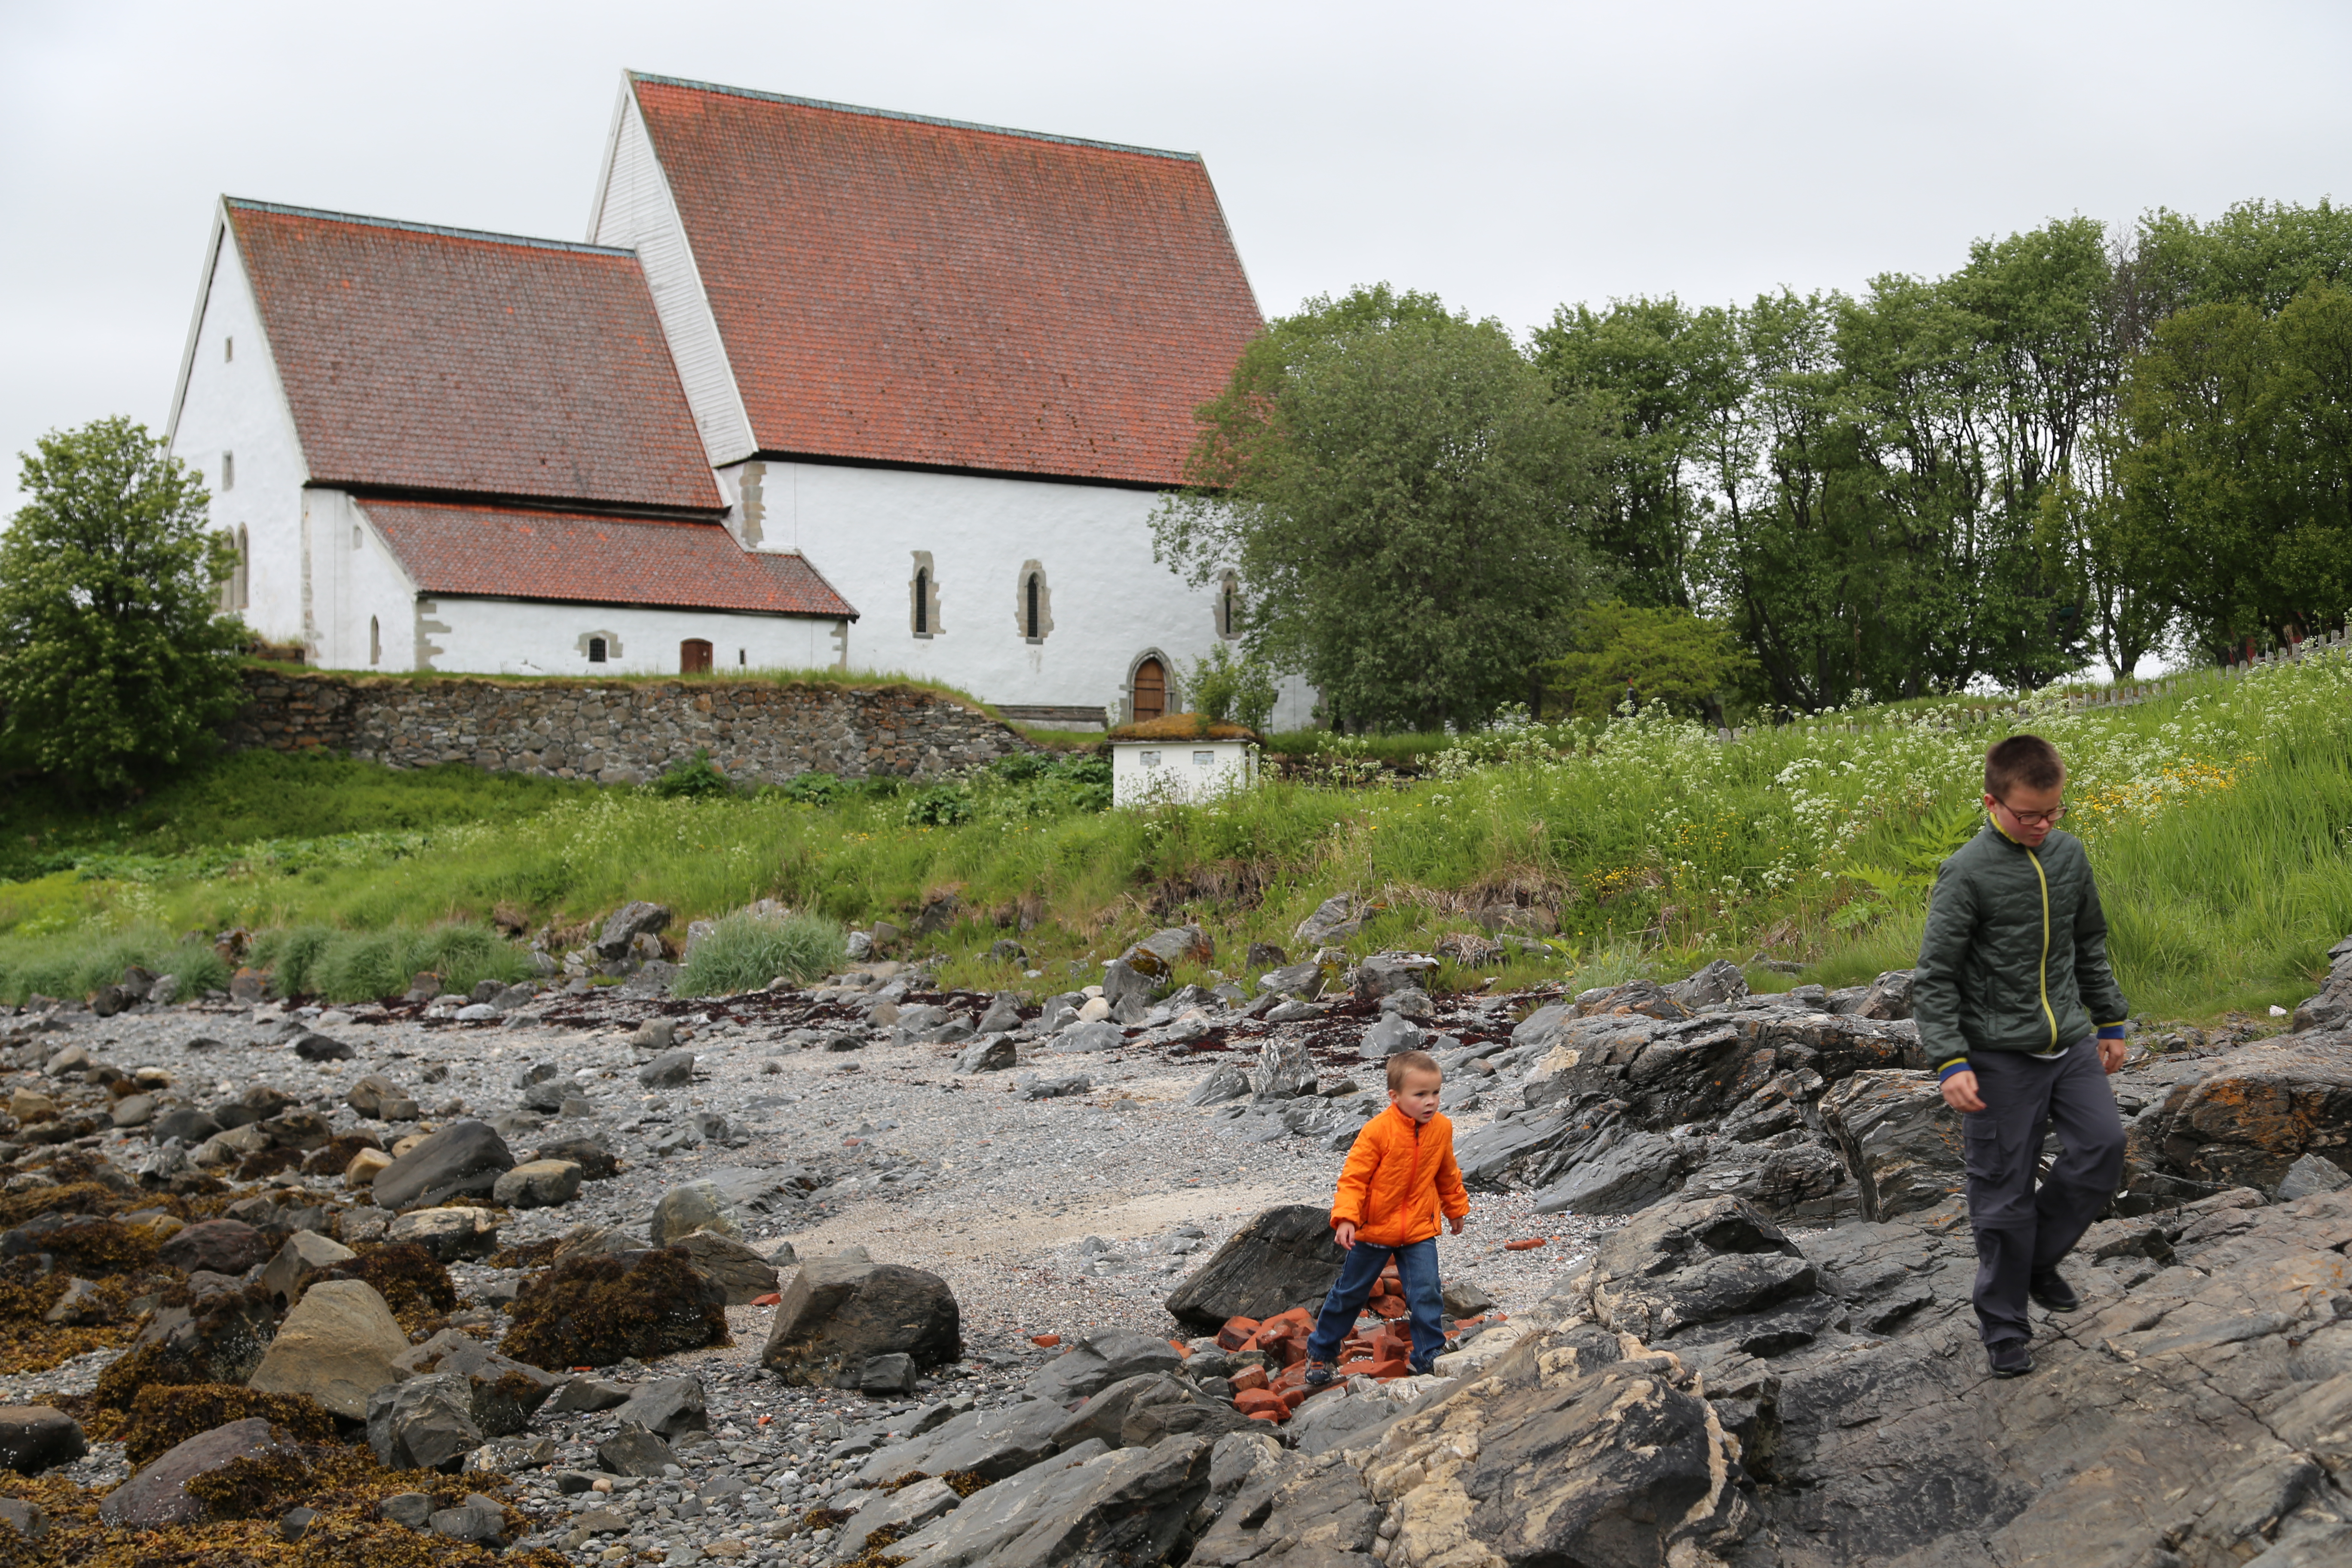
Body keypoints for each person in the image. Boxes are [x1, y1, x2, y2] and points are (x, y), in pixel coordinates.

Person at [1914, 733, 2130, 1379]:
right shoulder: (1966, 872)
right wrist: (1951, 1061)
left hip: (2069, 1046)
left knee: (2103, 1149)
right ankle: (2005, 1329)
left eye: (2053, 812)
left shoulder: (2069, 854)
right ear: (1992, 802)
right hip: (1997, 1059)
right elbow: (1935, 977)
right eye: (2028, 815)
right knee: (2002, 1197)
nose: (2042, 825)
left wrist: (2110, 1018)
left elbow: (2088, 941)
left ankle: (2037, 1260)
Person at [1301, 1048, 1469, 1386]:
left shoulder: (1442, 1129)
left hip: (1419, 1230)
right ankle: (1321, 1351)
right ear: (1395, 1097)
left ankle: (1429, 1355)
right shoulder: (1378, 1131)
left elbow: (1447, 1174)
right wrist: (1346, 1219)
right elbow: (1354, 1179)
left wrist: (1456, 1209)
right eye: (1420, 1094)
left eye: (1436, 1092)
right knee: (1350, 1292)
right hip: (1373, 1231)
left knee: (1426, 1291)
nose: (1431, 1101)